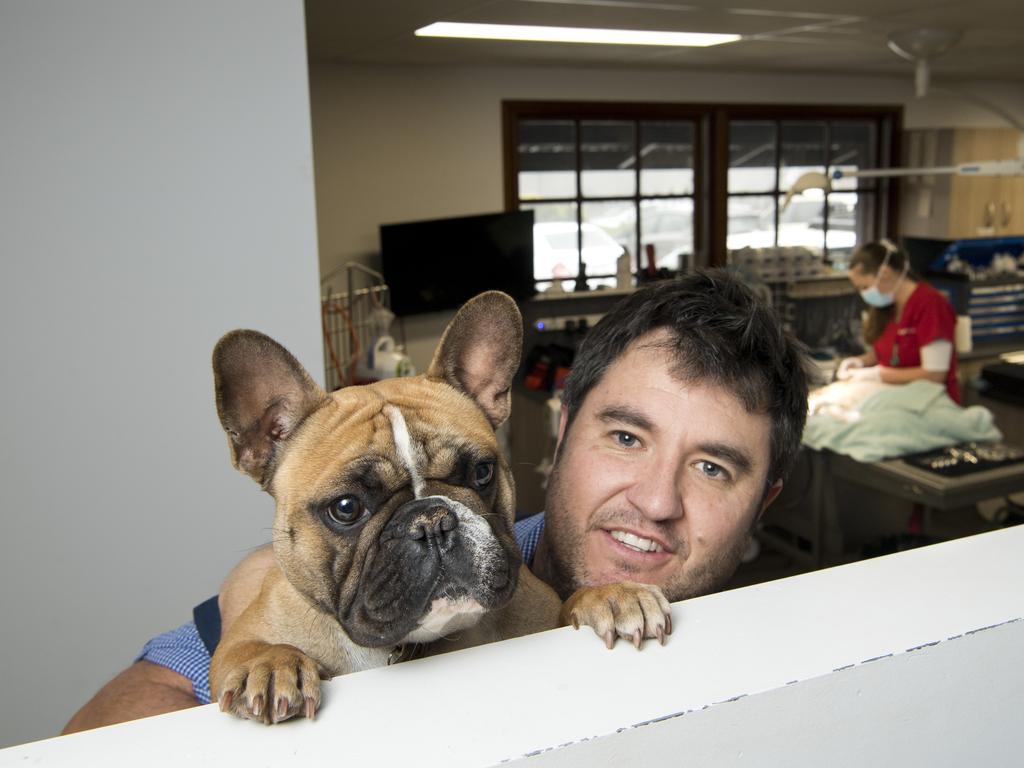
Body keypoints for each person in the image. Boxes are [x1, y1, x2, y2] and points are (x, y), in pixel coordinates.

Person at [63, 269, 810, 733]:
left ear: (766, 499)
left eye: (714, 467)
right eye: (624, 437)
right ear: (560, 425)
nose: (655, 500)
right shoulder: (285, 591)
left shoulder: (783, 655)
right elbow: (135, 707)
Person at [837, 239, 960, 403]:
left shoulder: (931, 305)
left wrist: (878, 374)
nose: (863, 294)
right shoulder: (887, 307)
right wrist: (861, 362)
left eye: (865, 287)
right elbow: (889, 351)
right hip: (895, 401)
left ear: (885, 273)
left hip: (930, 405)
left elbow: (934, 374)